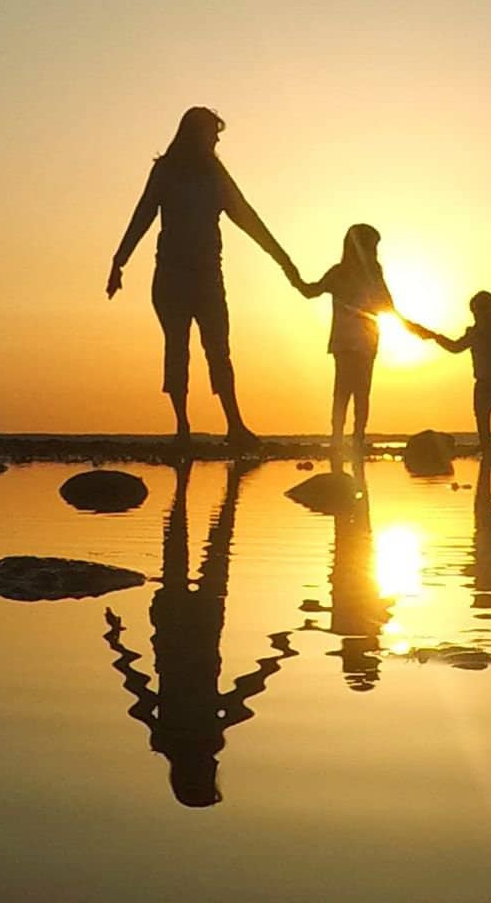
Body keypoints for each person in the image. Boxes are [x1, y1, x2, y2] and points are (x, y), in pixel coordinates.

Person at [102, 460, 296, 807]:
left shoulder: (198, 738)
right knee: (177, 553)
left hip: (201, 629)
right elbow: (139, 690)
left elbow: (241, 697)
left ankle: (215, 493)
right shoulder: (168, 739)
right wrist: (116, 644)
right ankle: (189, 491)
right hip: (175, 630)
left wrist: (277, 656)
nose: (217, 768)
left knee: (213, 552)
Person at [107, 107, 299, 447]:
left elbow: (247, 217)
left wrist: (282, 259)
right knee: (177, 349)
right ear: (194, 133)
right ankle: (182, 427)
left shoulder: (215, 175)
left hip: (208, 276)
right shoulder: (166, 171)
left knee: (218, 351)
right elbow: (144, 213)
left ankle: (235, 425)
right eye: (212, 133)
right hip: (171, 276)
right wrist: (119, 261)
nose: (216, 139)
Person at [295, 224, 395, 473]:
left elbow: (386, 304)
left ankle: (349, 438)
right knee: (350, 392)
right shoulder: (346, 273)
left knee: (352, 392)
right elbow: (312, 291)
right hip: (350, 342)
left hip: (360, 341)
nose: (374, 251)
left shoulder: (359, 272)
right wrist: (294, 277)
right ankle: (344, 439)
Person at [403, 291, 491, 454]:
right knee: (483, 421)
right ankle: (487, 450)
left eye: (484, 310)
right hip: (483, 384)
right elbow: (455, 347)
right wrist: (434, 336)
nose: (481, 315)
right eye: (478, 311)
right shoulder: (473, 333)